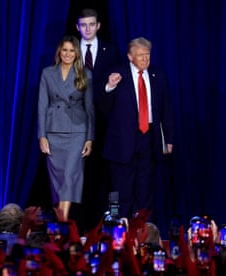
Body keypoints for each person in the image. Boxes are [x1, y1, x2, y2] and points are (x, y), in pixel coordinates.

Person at [102, 37, 175, 219]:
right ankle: (117, 227)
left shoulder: (158, 76)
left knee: (145, 190)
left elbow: (166, 109)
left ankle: (142, 230)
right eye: (141, 55)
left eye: (147, 55)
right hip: (122, 142)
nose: (145, 59)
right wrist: (109, 87)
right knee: (118, 192)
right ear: (130, 56)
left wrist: (169, 139)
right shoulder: (117, 75)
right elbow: (103, 107)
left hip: (148, 139)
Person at [37, 35, 95, 222]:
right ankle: (61, 224)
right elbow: (42, 106)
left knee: (70, 178)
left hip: (77, 133)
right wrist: (42, 136)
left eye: (72, 50)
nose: (68, 54)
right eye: (65, 50)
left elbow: (90, 109)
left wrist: (89, 138)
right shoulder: (47, 73)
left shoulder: (85, 74)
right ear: (59, 52)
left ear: (76, 53)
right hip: (53, 132)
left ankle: (62, 223)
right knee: (59, 182)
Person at [75, 8, 121, 232]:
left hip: (103, 122)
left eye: (91, 24)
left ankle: (102, 226)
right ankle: (79, 227)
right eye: (83, 25)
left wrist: (107, 87)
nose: (88, 29)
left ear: (98, 26)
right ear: (78, 27)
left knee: (102, 176)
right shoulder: (70, 51)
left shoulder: (110, 51)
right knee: (77, 176)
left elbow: (114, 88)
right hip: (75, 123)